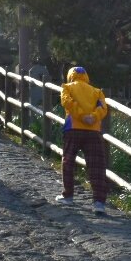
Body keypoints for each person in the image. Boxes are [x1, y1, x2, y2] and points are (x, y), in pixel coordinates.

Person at [56, 66, 110, 214]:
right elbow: (103, 108)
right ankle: (99, 202)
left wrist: (81, 115)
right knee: (97, 166)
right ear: (86, 77)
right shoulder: (97, 91)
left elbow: (67, 102)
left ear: (70, 76)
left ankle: (68, 195)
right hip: (93, 131)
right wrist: (93, 117)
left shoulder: (67, 87)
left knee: (68, 162)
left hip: (73, 128)